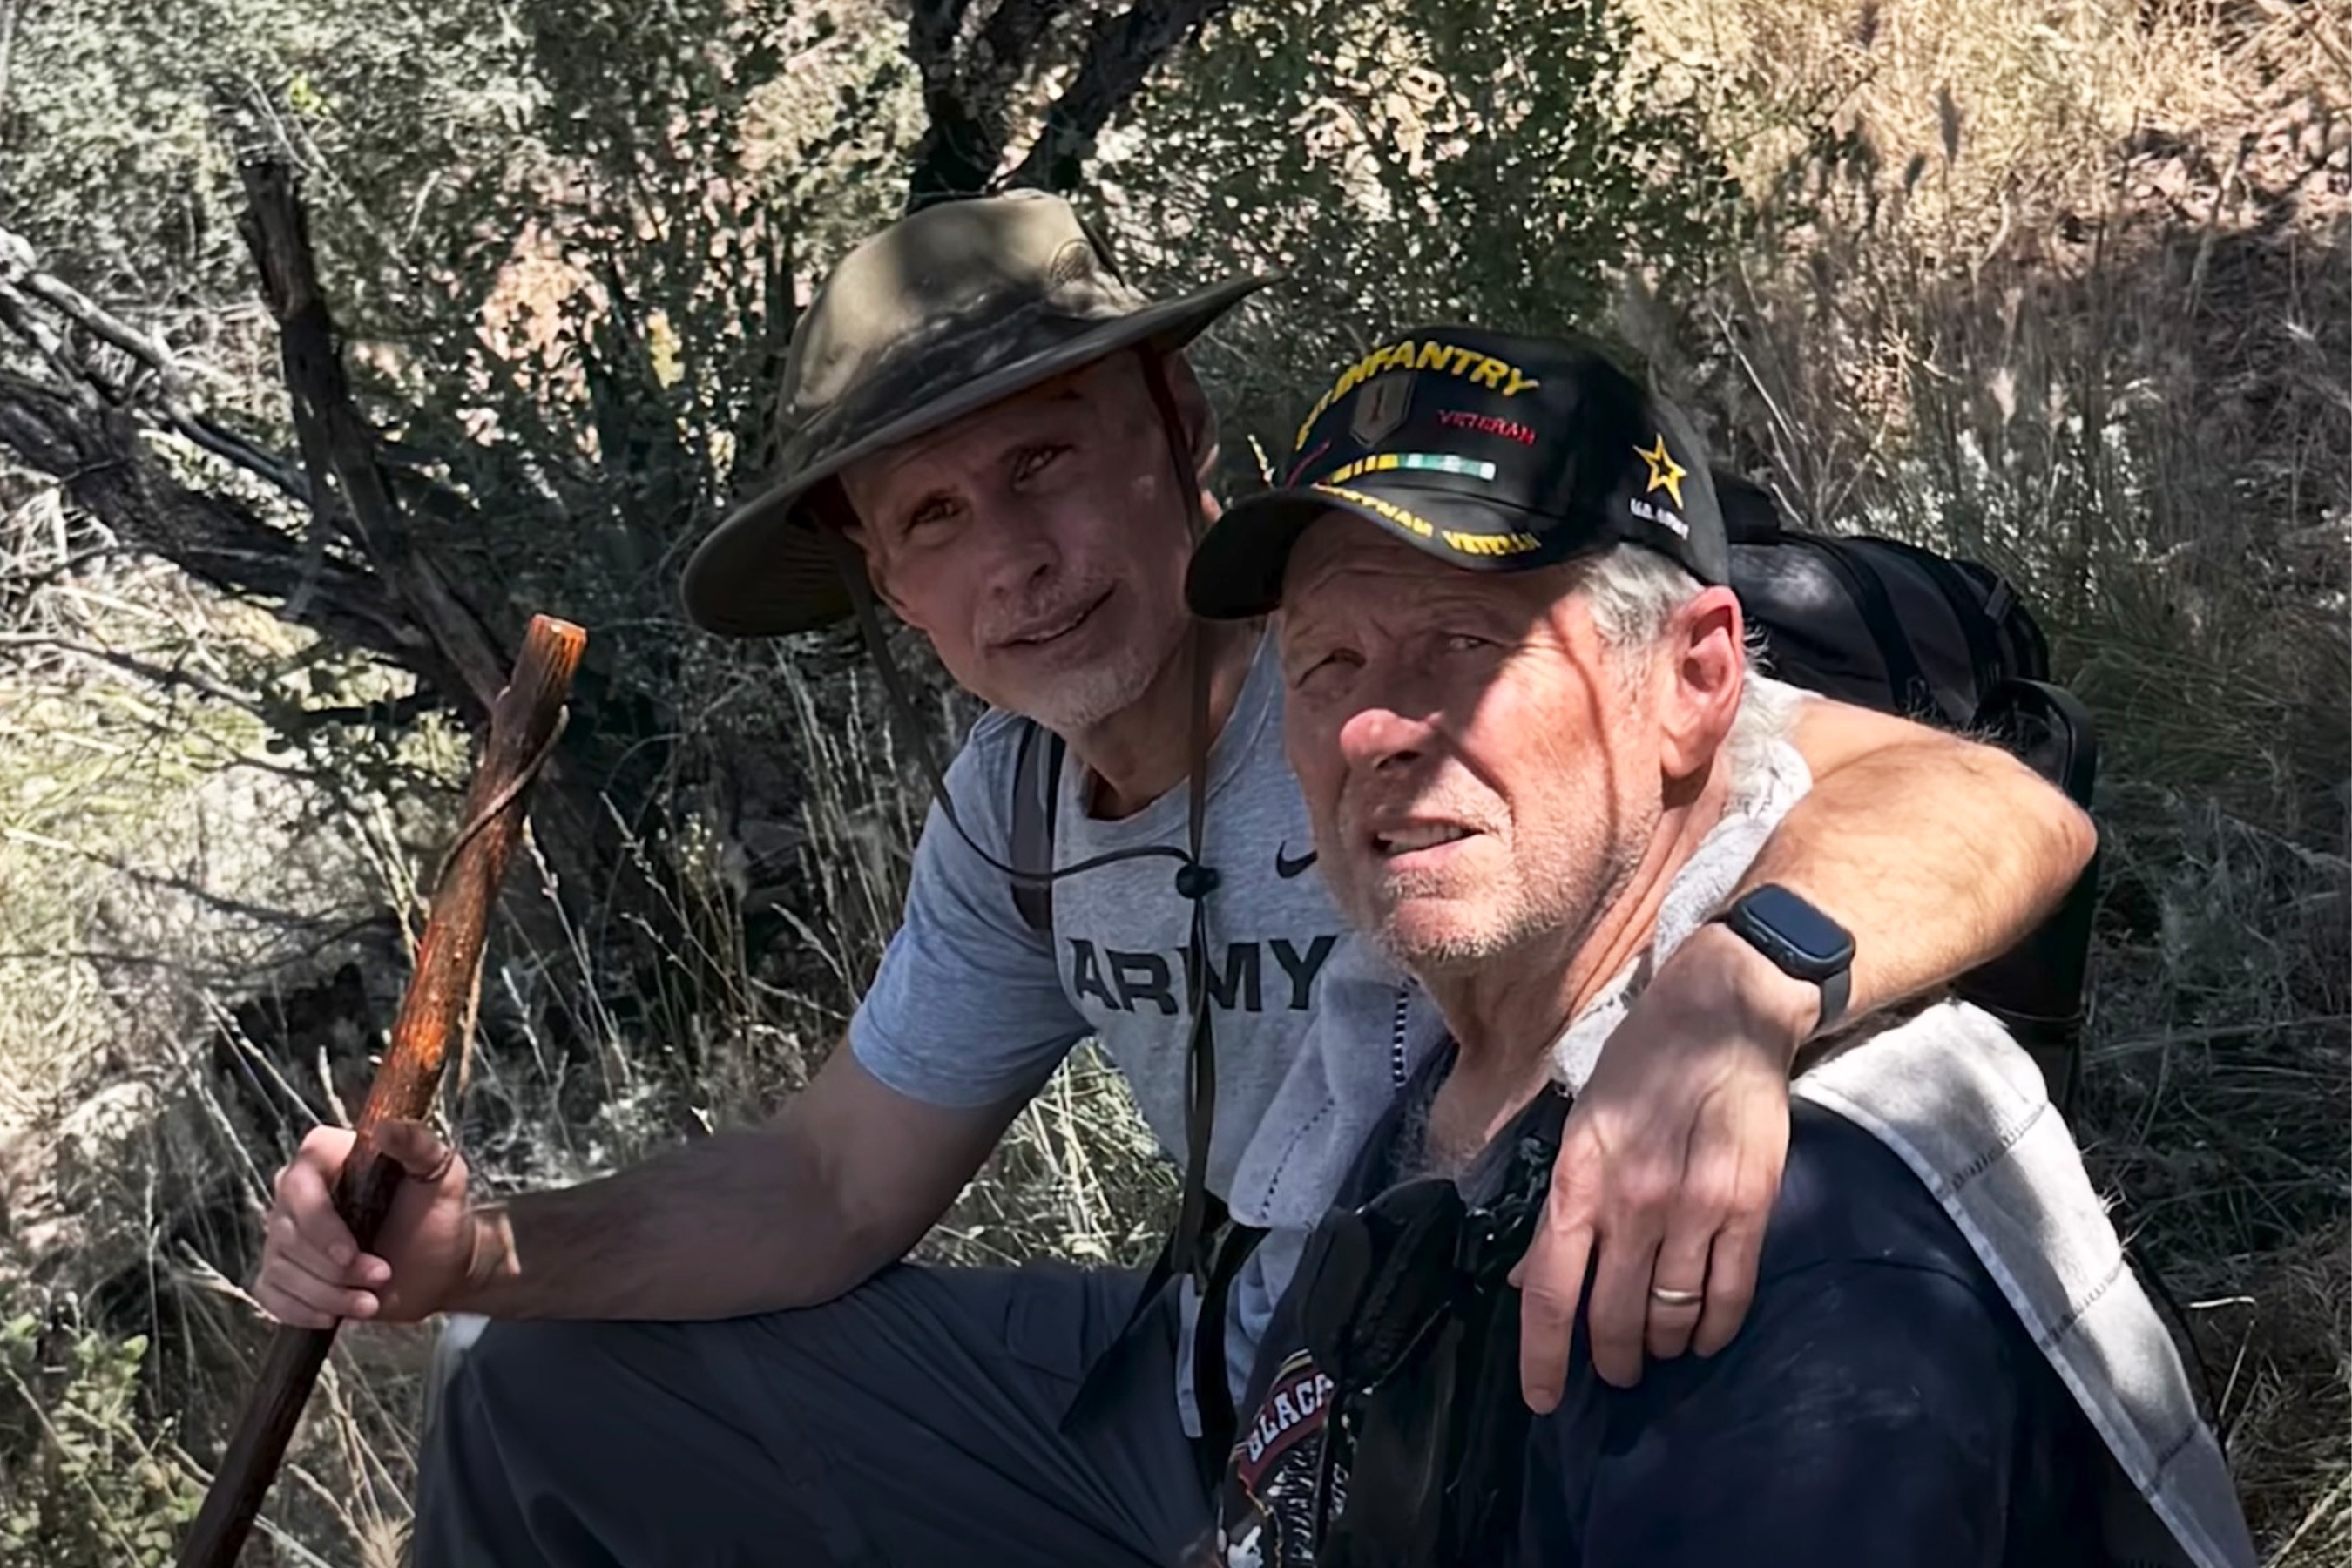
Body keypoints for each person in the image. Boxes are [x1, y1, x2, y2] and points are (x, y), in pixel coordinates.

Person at [248, 193, 2099, 1567]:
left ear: (1176, 432)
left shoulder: (1407, 662)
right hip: (1209, 1382)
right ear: (890, 588)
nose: (1021, 564)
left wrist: (1729, 998)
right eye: (937, 521)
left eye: (1047, 462)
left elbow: (1984, 803)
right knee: (530, 1386)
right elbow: (826, 1186)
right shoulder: (1020, 811)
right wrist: (476, 1256)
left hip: (1460, 1402)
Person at [1178, 324, 2255, 1568]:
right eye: (1325, 664)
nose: (1375, 725)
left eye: (1467, 645)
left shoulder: (1768, 1232)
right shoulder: (1432, 1071)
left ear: (1695, 681)